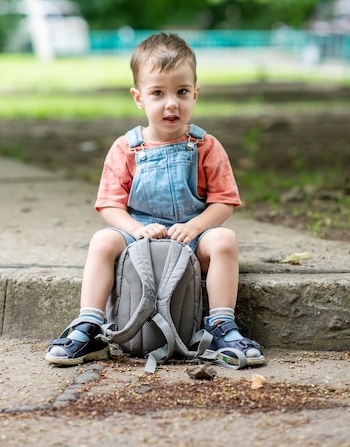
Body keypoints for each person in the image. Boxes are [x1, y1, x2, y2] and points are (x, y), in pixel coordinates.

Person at [45, 32, 264, 367]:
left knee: (224, 240)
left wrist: (195, 227)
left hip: (191, 235)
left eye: (181, 92)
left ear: (196, 93)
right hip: (138, 234)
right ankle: (88, 325)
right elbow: (110, 204)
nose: (171, 103)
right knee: (103, 241)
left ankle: (222, 325)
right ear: (138, 97)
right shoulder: (127, 147)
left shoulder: (206, 146)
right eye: (158, 93)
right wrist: (135, 228)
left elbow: (224, 201)